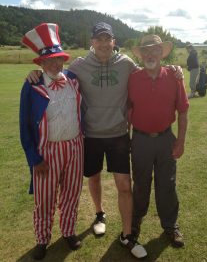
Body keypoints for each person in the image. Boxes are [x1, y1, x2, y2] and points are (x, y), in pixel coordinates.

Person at [26, 22, 183, 259]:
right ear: (92, 42)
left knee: (123, 185)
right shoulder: (78, 65)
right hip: (90, 135)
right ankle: (99, 214)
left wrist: (173, 69)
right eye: (98, 39)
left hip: (118, 134)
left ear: (113, 42)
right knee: (95, 177)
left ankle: (127, 234)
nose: (102, 43)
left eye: (107, 39)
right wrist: (36, 73)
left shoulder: (127, 64)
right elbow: (56, 71)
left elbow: (148, 69)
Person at [20, 23, 84, 260]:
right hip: (46, 152)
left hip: (75, 147)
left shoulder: (74, 79)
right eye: (50, 60)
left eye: (59, 59)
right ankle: (42, 240)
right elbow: (25, 127)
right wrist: (34, 159)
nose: (56, 64)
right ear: (41, 64)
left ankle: (68, 231)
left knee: (71, 193)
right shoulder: (32, 84)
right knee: (44, 199)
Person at [129, 35, 189, 248]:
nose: (150, 54)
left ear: (162, 53)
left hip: (165, 139)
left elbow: (182, 111)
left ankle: (170, 226)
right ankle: (133, 226)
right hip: (141, 140)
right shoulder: (133, 78)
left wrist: (180, 142)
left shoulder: (174, 77)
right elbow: (128, 109)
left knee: (167, 185)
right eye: (146, 50)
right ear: (142, 54)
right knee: (140, 185)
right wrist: (129, 138)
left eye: (155, 50)